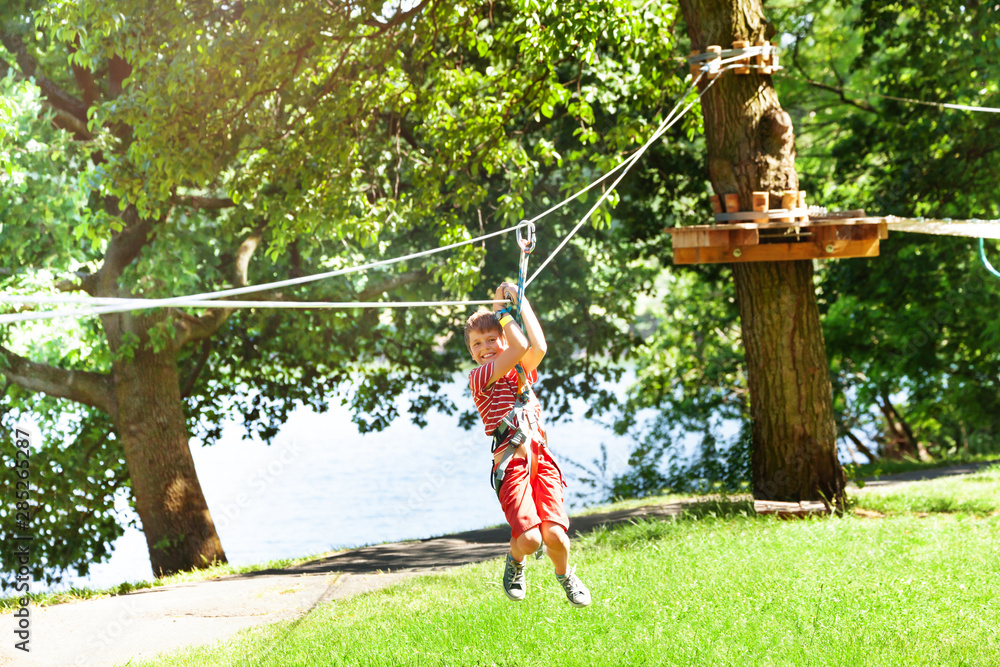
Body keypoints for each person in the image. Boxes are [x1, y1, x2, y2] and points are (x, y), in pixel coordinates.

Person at [464, 282, 591, 607]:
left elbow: (538, 345)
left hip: (541, 460)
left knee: (555, 536)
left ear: (502, 341)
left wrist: (521, 304)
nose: (485, 347)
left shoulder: (521, 371)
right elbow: (519, 344)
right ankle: (515, 561)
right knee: (531, 539)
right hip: (512, 465)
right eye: (477, 343)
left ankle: (565, 575)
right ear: (471, 352)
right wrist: (502, 313)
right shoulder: (480, 378)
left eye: (492, 340)